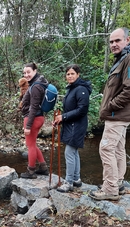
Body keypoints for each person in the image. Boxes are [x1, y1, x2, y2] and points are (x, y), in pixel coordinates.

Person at [89, 27, 130, 201]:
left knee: (106, 148)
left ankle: (110, 188)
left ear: (127, 40)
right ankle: (117, 182)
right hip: (118, 115)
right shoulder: (123, 59)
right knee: (118, 149)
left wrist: (111, 107)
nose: (113, 44)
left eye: (117, 40)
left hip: (117, 115)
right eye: (111, 41)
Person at [53, 64, 91, 192]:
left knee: (69, 152)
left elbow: (82, 110)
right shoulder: (72, 88)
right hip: (70, 124)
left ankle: (68, 182)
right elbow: (70, 108)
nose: (69, 76)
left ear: (78, 75)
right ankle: (76, 179)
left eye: (72, 73)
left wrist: (63, 117)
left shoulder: (81, 89)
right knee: (73, 152)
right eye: (68, 74)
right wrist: (60, 119)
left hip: (77, 125)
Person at [20, 62, 48, 179]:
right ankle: (43, 167)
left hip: (33, 118)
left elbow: (33, 107)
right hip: (38, 117)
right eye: (24, 73)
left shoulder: (36, 87)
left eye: (29, 72)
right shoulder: (37, 84)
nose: (26, 75)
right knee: (33, 144)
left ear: (35, 71)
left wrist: (28, 126)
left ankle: (30, 171)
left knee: (30, 146)